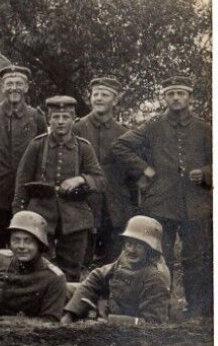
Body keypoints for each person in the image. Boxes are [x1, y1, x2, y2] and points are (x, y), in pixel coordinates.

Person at [112, 79, 212, 316]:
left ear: (189, 97)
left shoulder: (205, 129)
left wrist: (207, 173)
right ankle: (160, 307)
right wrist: (145, 169)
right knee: (160, 257)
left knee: (196, 259)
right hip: (161, 204)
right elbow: (120, 146)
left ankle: (195, 308)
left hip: (196, 205)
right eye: (171, 94)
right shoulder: (153, 127)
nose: (176, 98)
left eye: (180, 93)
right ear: (164, 98)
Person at [13, 95, 105, 279]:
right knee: (38, 267)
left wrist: (80, 179)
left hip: (74, 215)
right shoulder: (37, 145)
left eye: (65, 117)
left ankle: (67, 306)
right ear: (49, 119)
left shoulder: (83, 147)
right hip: (41, 214)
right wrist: (18, 216)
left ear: (74, 120)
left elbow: (100, 180)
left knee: (71, 270)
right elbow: (22, 182)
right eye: (56, 117)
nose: (60, 122)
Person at [0, 65, 45, 255]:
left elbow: (43, 151)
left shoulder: (36, 117)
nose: (14, 88)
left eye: (19, 83)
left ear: (26, 88)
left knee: (26, 236)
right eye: (9, 83)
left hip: (27, 189)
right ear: (2, 87)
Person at [63, 216, 172, 325]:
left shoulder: (157, 276)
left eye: (139, 245)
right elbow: (98, 276)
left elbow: (153, 323)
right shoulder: (126, 256)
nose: (131, 250)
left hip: (124, 326)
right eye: (129, 243)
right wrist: (71, 313)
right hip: (109, 304)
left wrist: (107, 322)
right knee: (63, 288)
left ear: (151, 248)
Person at [77, 76, 132, 265]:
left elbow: (130, 173)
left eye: (105, 95)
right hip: (83, 200)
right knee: (82, 256)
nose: (99, 98)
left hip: (114, 203)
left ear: (115, 100)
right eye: (96, 94)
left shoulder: (124, 133)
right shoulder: (77, 128)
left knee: (111, 257)